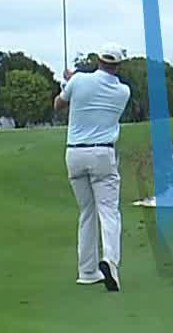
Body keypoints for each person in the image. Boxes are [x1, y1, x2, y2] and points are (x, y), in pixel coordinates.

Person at [53, 41, 132, 292]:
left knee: (87, 211)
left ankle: (87, 271)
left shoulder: (79, 81)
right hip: (102, 153)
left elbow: (58, 104)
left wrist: (66, 85)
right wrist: (73, 83)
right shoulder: (123, 92)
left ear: (98, 60)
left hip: (74, 154)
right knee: (108, 211)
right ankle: (110, 262)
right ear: (118, 66)